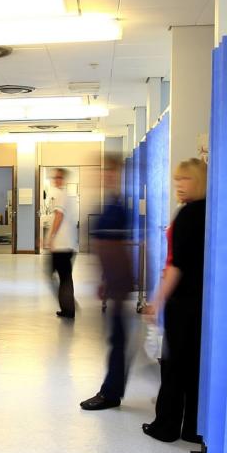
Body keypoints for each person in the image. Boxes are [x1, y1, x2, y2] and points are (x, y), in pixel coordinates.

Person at [142, 159, 208, 443]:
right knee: (194, 365)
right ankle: (194, 427)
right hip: (202, 299)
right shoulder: (210, 211)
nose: (179, 185)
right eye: (177, 180)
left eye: (185, 179)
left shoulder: (188, 214)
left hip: (183, 301)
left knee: (173, 365)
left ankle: (165, 426)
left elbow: (177, 266)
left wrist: (156, 300)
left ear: (199, 180)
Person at [80, 158, 134, 411]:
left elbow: (116, 249)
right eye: (102, 172)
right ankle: (112, 389)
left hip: (119, 282)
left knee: (118, 337)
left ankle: (111, 393)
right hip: (113, 280)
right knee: (117, 337)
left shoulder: (118, 208)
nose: (104, 177)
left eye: (109, 173)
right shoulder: (110, 205)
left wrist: (113, 282)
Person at [44, 169, 79, 319]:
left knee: (59, 276)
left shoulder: (60, 195)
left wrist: (51, 238)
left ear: (63, 179)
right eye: (55, 177)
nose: (56, 180)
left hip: (62, 246)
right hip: (66, 245)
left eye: (59, 177)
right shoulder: (65, 196)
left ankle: (69, 306)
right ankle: (68, 306)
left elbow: (59, 215)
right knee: (63, 277)